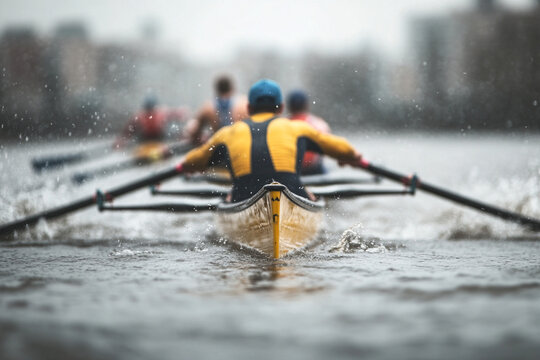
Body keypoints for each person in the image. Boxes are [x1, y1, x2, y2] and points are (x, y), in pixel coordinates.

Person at [181, 79, 362, 203]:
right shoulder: (296, 127)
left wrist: (185, 167)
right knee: (305, 192)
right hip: (291, 193)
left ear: (250, 108)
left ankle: (233, 201)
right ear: (281, 108)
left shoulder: (227, 133)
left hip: (242, 197)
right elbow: (344, 149)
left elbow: (191, 161)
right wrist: (352, 156)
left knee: (232, 194)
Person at [184, 75, 248, 145]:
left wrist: (201, 140)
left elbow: (194, 131)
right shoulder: (243, 104)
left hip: (219, 147)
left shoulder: (207, 108)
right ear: (232, 88)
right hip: (239, 145)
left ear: (216, 90)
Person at [114, 96, 188, 148]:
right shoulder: (139, 116)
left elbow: (178, 114)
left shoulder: (162, 113)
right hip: (145, 139)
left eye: (152, 112)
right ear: (144, 110)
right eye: (148, 112)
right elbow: (127, 131)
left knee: (174, 130)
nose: (150, 115)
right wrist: (121, 141)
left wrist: (183, 135)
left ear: (156, 109)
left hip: (161, 137)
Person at [287, 90, 331, 175]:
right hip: (315, 170)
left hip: (291, 172)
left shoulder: (281, 124)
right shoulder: (318, 123)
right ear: (306, 105)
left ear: (289, 107)